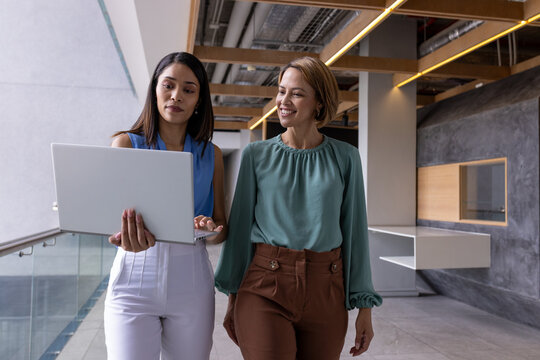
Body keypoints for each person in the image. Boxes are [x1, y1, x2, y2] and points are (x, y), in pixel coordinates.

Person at [214, 56, 382, 360]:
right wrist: (233, 298)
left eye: (297, 93)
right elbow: (239, 229)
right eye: (281, 91)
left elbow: (354, 232)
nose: (283, 100)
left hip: (327, 290)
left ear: (319, 102)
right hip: (265, 284)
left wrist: (364, 309)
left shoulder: (346, 157)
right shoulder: (256, 155)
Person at [103, 52, 226, 360]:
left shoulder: (212, 155)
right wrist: (120, 234)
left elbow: (221, 231)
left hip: (192, 278)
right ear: (155, 90)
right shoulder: (126, 145)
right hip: (134, 275)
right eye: (168, 85)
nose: (176, 96)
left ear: (199, 100)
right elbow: (110, 218)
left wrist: (208, 229)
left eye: (188, 89)